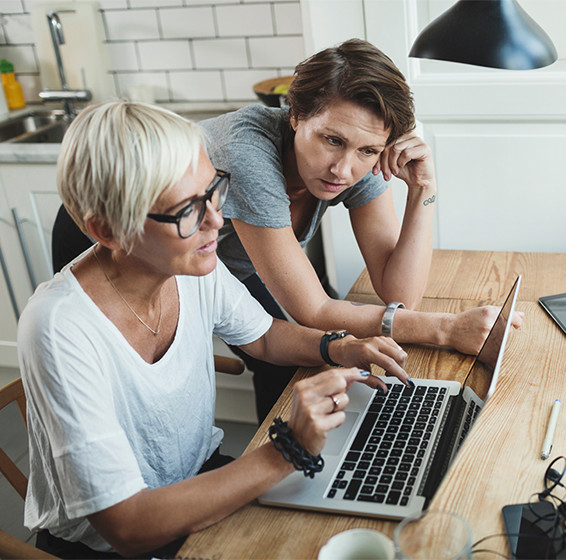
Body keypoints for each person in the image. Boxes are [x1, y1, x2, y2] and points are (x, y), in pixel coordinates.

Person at [18, 101, 412, 559]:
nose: (216, 221)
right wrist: (287, 450)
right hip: (118, 545)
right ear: (106, 229)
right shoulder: (59, 327)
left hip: (202, 479)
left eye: (213, 192)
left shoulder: (188, 264)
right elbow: (128, 526)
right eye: (186, 210)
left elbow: (263, 336)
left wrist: (340, 347)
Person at [198, 38, 522, 421]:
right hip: (188, 270)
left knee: (350, 344)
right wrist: (447, 330)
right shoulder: (247, 154)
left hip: (257, 262)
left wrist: (423, 190)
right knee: (297, 366)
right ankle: (276, 463)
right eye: (332, 140)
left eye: (367, 151)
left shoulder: (362, 157)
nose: (343, 170)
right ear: (295, 115)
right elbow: (313, 309)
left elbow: (399, 294)